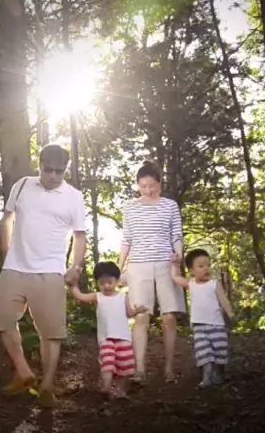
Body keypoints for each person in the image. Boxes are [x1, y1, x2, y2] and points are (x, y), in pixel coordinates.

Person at [0, 144, 87, 408]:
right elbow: (6, 219)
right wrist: (6, 249)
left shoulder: (73, 197)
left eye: (59, 171)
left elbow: (80, 235)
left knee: (51, 333)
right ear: (40, 166)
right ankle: (23, 372)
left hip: (50, 271)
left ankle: (46, 386)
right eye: (48, 170)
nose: (54, 176)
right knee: (3, 320)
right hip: (15, 267)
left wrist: (76, 267)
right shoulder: (22, 185)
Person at [118, 160, 186, 384]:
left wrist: (178, 254)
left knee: (169, 317)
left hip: (167, 264)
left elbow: (176, 234)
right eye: (143, 186)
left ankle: (168, 369)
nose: (148, 190)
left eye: (152, 185)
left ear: (159, 184)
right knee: (141, 316)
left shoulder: (170, 205)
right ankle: (139, 370)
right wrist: (119, 269)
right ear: (138, 185)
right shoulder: (129, 207)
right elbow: (126, 239)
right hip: (138, 266)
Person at [70, 261, 148, 400]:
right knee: (108, 363)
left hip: (124, 337)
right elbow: (81, 296)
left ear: (117, 281)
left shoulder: (123, 297)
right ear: (97, 283)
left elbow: (129, 314)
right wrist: (73, 285)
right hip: (106, 338)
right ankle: (105, 387)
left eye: (110, 282)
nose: (106, 286)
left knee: (126, 366)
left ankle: (120, 390)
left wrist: (138, 311)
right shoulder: (97, 297)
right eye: (102, 283)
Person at [171, 248, 235, 388]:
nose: (206, 269)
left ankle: (218, 374)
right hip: (199, 325)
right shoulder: (191, 284)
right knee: (203, 351)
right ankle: (206, 376)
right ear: (191, 271)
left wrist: (230, 313)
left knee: (219, 350)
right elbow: (176, 278)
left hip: (216, 324)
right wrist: (175, 265)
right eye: (201, 266)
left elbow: (223, 300)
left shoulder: (214, 284)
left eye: (208, 265)